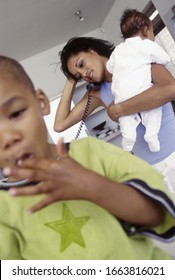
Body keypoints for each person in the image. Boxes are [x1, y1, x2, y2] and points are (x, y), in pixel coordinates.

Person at [0, 56, 175, 260]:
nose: (8, 138)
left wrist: (93, 187)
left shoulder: (91, 151)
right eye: (76, 73)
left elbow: (155, 216)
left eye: (16, 113)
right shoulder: (4, 207)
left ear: (41, 103)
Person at [55, 35, 175, 195]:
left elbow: (170, 89)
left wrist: (119, 110)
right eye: (79, 75)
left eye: (81, 64)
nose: (84, 74)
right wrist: (71, 80)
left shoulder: (134, 59)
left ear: (92, 50)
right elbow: (60, 124)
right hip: (150, 170)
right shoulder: (97, 94)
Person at [106, 9, 171, 153]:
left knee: (126, 119)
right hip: (142, 92)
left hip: (121, 97)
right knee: (153, 111)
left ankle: (128, 138)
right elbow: (165, 58)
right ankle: (151, 135)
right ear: (146, 29)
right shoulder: (146, 45)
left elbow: (109, 68)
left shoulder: (118, 50)